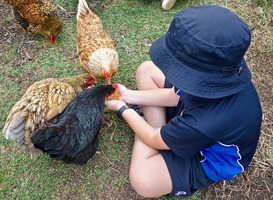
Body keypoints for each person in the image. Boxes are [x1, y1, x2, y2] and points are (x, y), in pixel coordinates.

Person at [105, 5, 262, 198]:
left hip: (208, 157)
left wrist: (122, 108)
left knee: (143, 180)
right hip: (196, 122)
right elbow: (174, 95)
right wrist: (129, 95)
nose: (174, 71)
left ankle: (162, 136)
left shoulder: (205, 123)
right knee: (146, 70)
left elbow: (154, 138)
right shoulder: (217, 73)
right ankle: (164, 135)